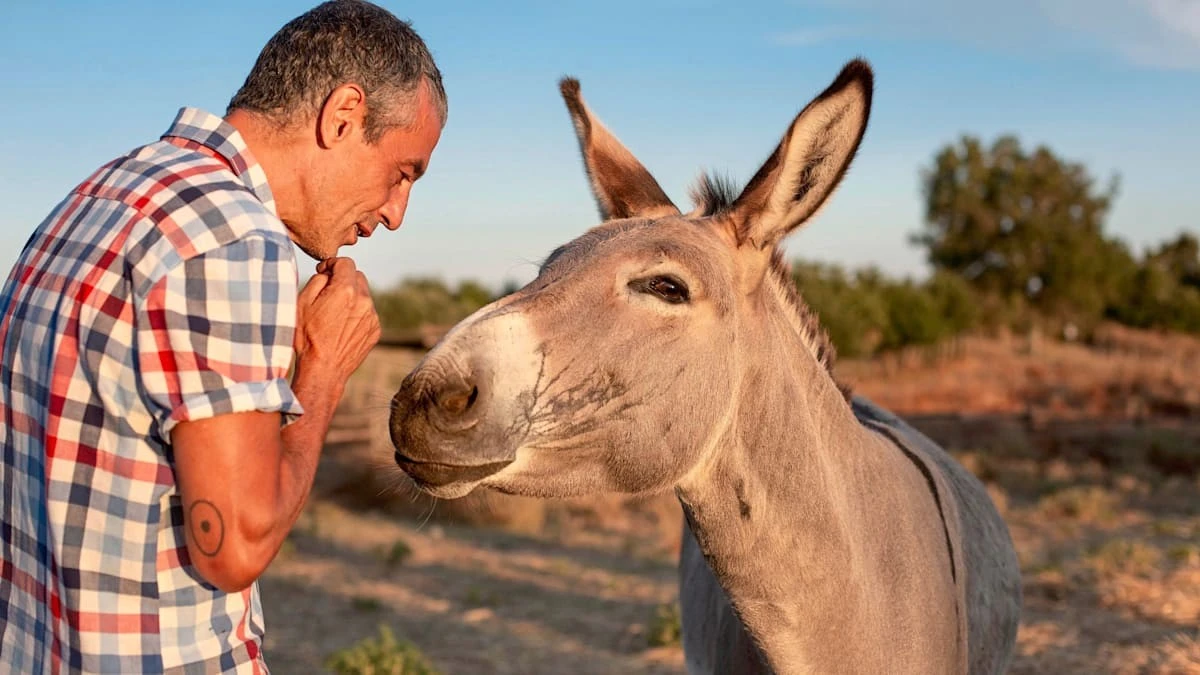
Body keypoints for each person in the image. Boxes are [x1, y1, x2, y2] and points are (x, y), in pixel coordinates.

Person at [0, 0, 446, 671]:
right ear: (343, 115)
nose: (395, 213)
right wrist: (322, 372)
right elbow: (233, 545)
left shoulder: (99, 194)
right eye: (402, 172)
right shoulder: (235, 238)